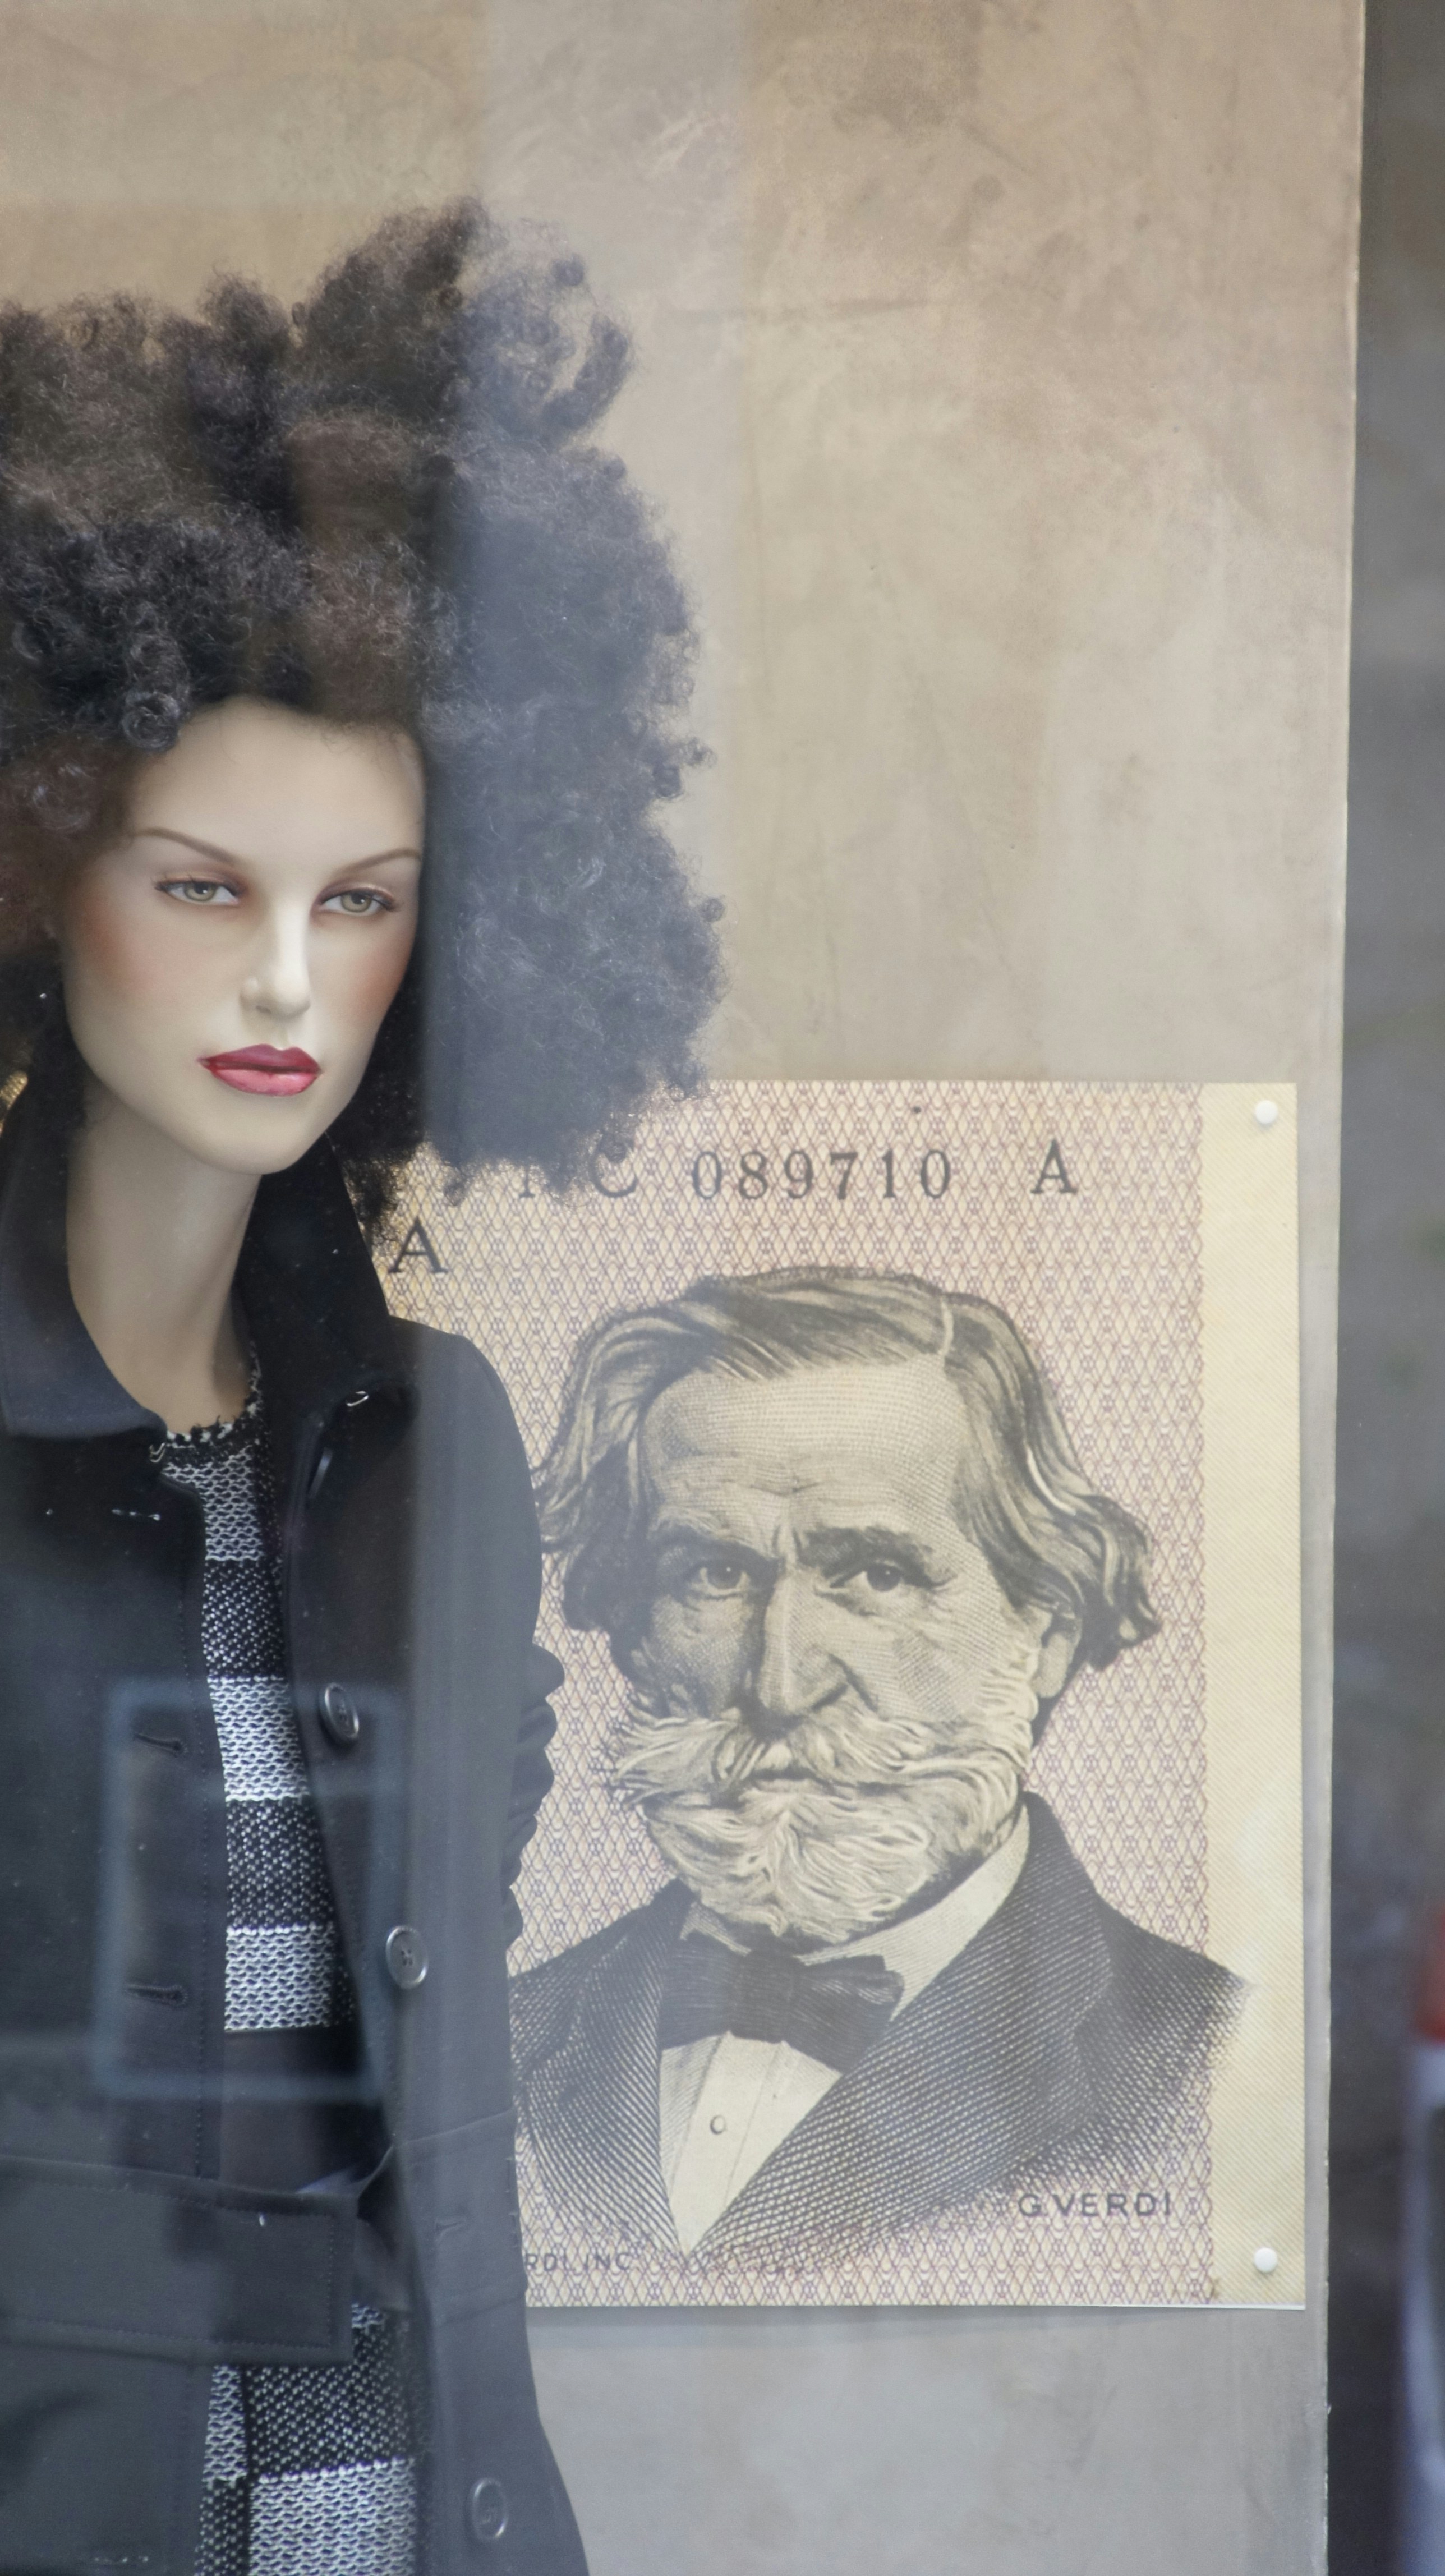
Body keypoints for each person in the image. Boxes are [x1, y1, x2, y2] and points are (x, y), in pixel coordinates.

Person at [0, 208, 719, 2572]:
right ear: (45, 866)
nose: (292, 980)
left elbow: (448, 2079)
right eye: (203, 886)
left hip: (390, 2488)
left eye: (369, 895)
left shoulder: (440, 1441)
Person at [510, 1269, 1241, 2259]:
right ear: (632, 1626)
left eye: (876, 1574)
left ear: (1048, 1630)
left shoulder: (1211, 2058)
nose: (780, 1682)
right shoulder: (499, 2039)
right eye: (715, 1574)